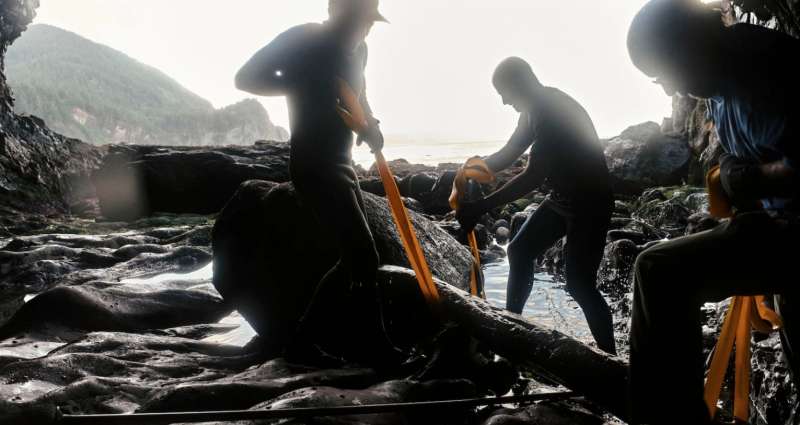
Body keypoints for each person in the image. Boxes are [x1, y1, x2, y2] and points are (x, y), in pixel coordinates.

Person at [627, 0, 799, 423]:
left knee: (660, 271)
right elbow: (748, 158)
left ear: (690, 45)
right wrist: (735, 204)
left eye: (664, 74)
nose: (670, 90)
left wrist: (752, 180)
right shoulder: (718, 84)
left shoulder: (770, 66)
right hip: (776, 224)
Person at [235, 0, 387, 345]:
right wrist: (300, 82)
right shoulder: (303, 38)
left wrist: (371, 124)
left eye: (368, 23)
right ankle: (361, 345)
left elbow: (358, 97)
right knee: (363, 255)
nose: (363, 30)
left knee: (360, 257)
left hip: (343, 162)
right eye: (357, 22)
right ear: (335, 14)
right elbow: (244, 78)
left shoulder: (360, 50)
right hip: (312, 163)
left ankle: (332, 339)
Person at [456, 57, 617, 355]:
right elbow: (508, 153)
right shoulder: (532, 110)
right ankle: (510, 326)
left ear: (521, 83)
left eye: (504, 93)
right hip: (562, 199)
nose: (504, 102)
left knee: (580, 285)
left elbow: (531, 177)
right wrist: (468, 169)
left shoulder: (552, 112)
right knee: (519, 250)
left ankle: (611, 359)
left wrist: (481, 206)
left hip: (590, 203)